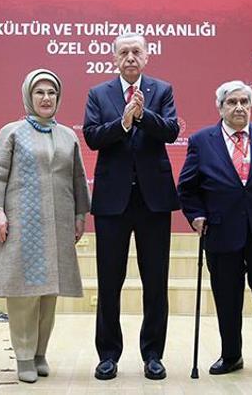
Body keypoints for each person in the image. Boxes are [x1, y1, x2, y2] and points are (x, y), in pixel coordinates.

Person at [177, 80, 252, 378]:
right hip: (221, 231)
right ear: (220, 108)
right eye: (232, 102)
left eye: (244, 101)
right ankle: (231, 355)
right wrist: (195, 215)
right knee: (227, 297)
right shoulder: (202, 140)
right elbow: (187, 187)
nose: (239, 107)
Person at [0, 68, 90, 383]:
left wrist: (80, 215)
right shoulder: (12, 132)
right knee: (23, 293)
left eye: (51, 92)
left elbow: (78, 178)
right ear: (29, 96)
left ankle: (41, 352)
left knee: (48, 294)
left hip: (58, 224)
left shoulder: (68, 135)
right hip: (21, 224)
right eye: (39, 92)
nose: (46, 98)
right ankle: (24, 356)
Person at [83, 32, 180, 380]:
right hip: (113, 202)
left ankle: (153, 354)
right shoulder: (98, 93)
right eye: (123, 52)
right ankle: (108, 354)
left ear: (146, 56)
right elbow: (92, 137)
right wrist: (123, 122)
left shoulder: (162, 90)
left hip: (153, 201)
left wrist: (142, 116)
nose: (130, 57)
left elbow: (171, 131)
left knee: (155, 281)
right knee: (110, 281)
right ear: (114, 58)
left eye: (136, 51)